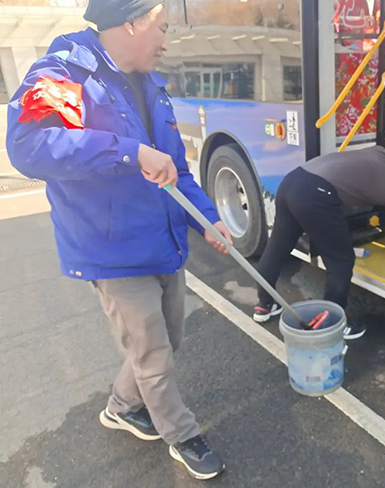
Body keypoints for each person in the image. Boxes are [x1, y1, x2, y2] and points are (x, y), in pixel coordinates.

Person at [6, 0, 231, 481]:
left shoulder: (152, 85)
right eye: (162, 28)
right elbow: (30, 145)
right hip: (111, 250)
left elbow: (177, 171)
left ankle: (123, 406)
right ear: (131, 23)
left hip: (162, 242)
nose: (167, 41)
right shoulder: (67, 72)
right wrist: (129, 152)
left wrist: (209, 219)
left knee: (168, 339)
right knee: (154, 354)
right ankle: (182, 434)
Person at [252, 147, 385, 339]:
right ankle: (333, 324)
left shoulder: (381, 153)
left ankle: (264, 304)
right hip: (317, 196)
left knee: (278, 246)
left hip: (292, 182)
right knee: (341, 260)